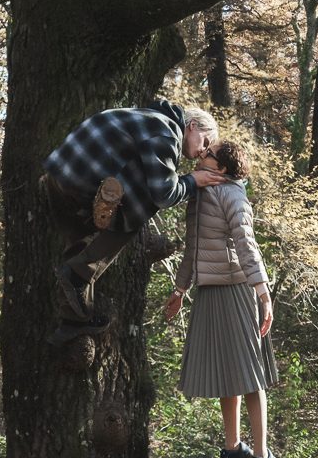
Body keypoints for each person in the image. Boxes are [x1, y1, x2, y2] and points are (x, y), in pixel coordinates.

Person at [163, 139, 279, 458]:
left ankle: (262, 456)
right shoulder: (198, 194)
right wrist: (180, 289)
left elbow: (247, 243)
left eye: (208, 154)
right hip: (208, 291)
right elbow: (191, 248)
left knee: (249, 374)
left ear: (223, 168)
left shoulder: (233, 195)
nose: (201, 155)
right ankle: (234, 449)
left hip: (238, 289)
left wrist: (263, 293)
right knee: (225, 375)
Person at [41, 100, 225, 325]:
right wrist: (193, 181)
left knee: (80, 249)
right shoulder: (167, 133)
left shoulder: (148, 117)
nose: (202, 152)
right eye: (205, 143)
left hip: (59, 176)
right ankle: (78, 279)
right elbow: (164, 195)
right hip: (82, 185)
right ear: (192, 125)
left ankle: (74, 318)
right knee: (139, 209)